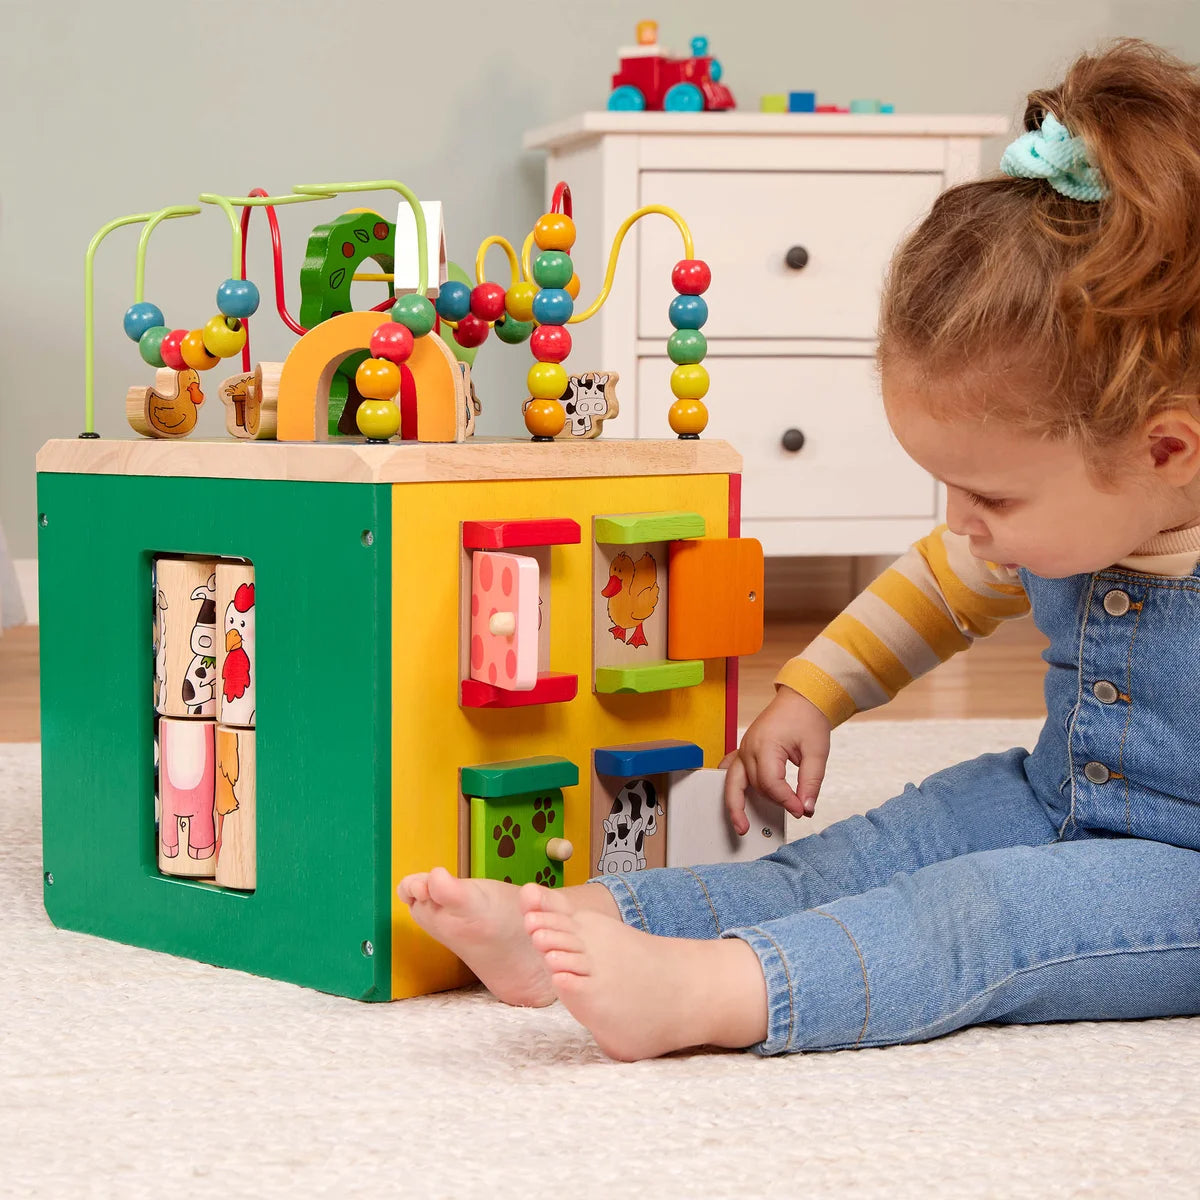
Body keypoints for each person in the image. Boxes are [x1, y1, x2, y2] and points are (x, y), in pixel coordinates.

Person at [398, 39, 1200, 1060]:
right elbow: (933, 594)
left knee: (980, 914)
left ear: (1166, 448)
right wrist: (812, 693)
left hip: (1183, 874)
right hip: (1055, 797)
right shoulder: (1066, 513)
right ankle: (581, 921)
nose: (960, 519)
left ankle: (714, 995)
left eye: (989, 492)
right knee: (871, 851)